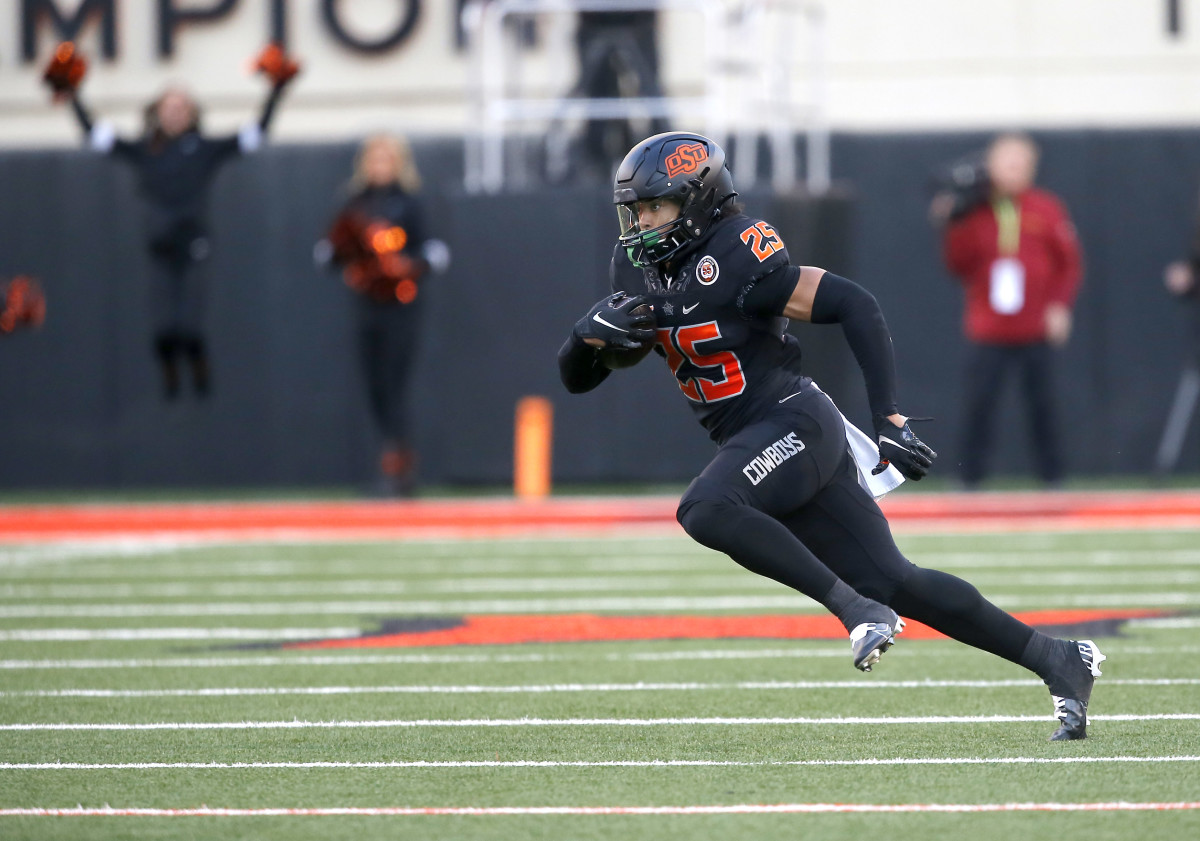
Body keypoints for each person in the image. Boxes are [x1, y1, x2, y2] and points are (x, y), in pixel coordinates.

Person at [558, 131, 1104, 741]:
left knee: (707, 508)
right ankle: (1060, 660)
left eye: (656, 207)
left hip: (793, 421)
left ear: (699, 198)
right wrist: (584, 339)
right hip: (763, 438)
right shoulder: (637, 267)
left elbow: (856, 304)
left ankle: (856, 611)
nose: (643, 224)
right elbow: (582, 378)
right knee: (898, 581)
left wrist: (888, 418)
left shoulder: (737, 251)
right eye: (635, 211)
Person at [44, 41, 298, 399]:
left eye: (181, 106)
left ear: (192, 112)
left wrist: (275, 92)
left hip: (194, 243)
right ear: (157, 112)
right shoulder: (146, 150)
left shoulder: (205, 149)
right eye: (169, 106)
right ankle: (169, 375)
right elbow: (97, 136)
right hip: (159, 245)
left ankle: (198, 367)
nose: (175, 112)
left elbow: (255, 134)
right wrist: (71, 93)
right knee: (164, 329)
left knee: (190, 325)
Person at [932, 132, 1083, 488]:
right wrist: (951, 223)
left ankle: (1053, 477)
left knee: (1043, 405)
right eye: (1007, 161)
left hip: (1035, 326)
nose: (1014, 169)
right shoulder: (974, 209)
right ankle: (969, 477)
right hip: (989, 326)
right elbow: (957, 265)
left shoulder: (1046, 207)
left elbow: (1069, 264)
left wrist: (1059, 306)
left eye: (1021, 162)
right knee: (979, 404)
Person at [316, 135, 450, 496]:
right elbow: (327, 251)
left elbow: (436, 252)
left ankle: (399, 470)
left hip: (400, 305)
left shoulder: (410, 203)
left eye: (386, 160)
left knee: (393, 385)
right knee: (375, 387)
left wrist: (405, 266)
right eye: (373, 160)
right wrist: (345, 255)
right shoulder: (354, 202)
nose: (379, 167)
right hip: (366, 305)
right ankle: (391, 463)